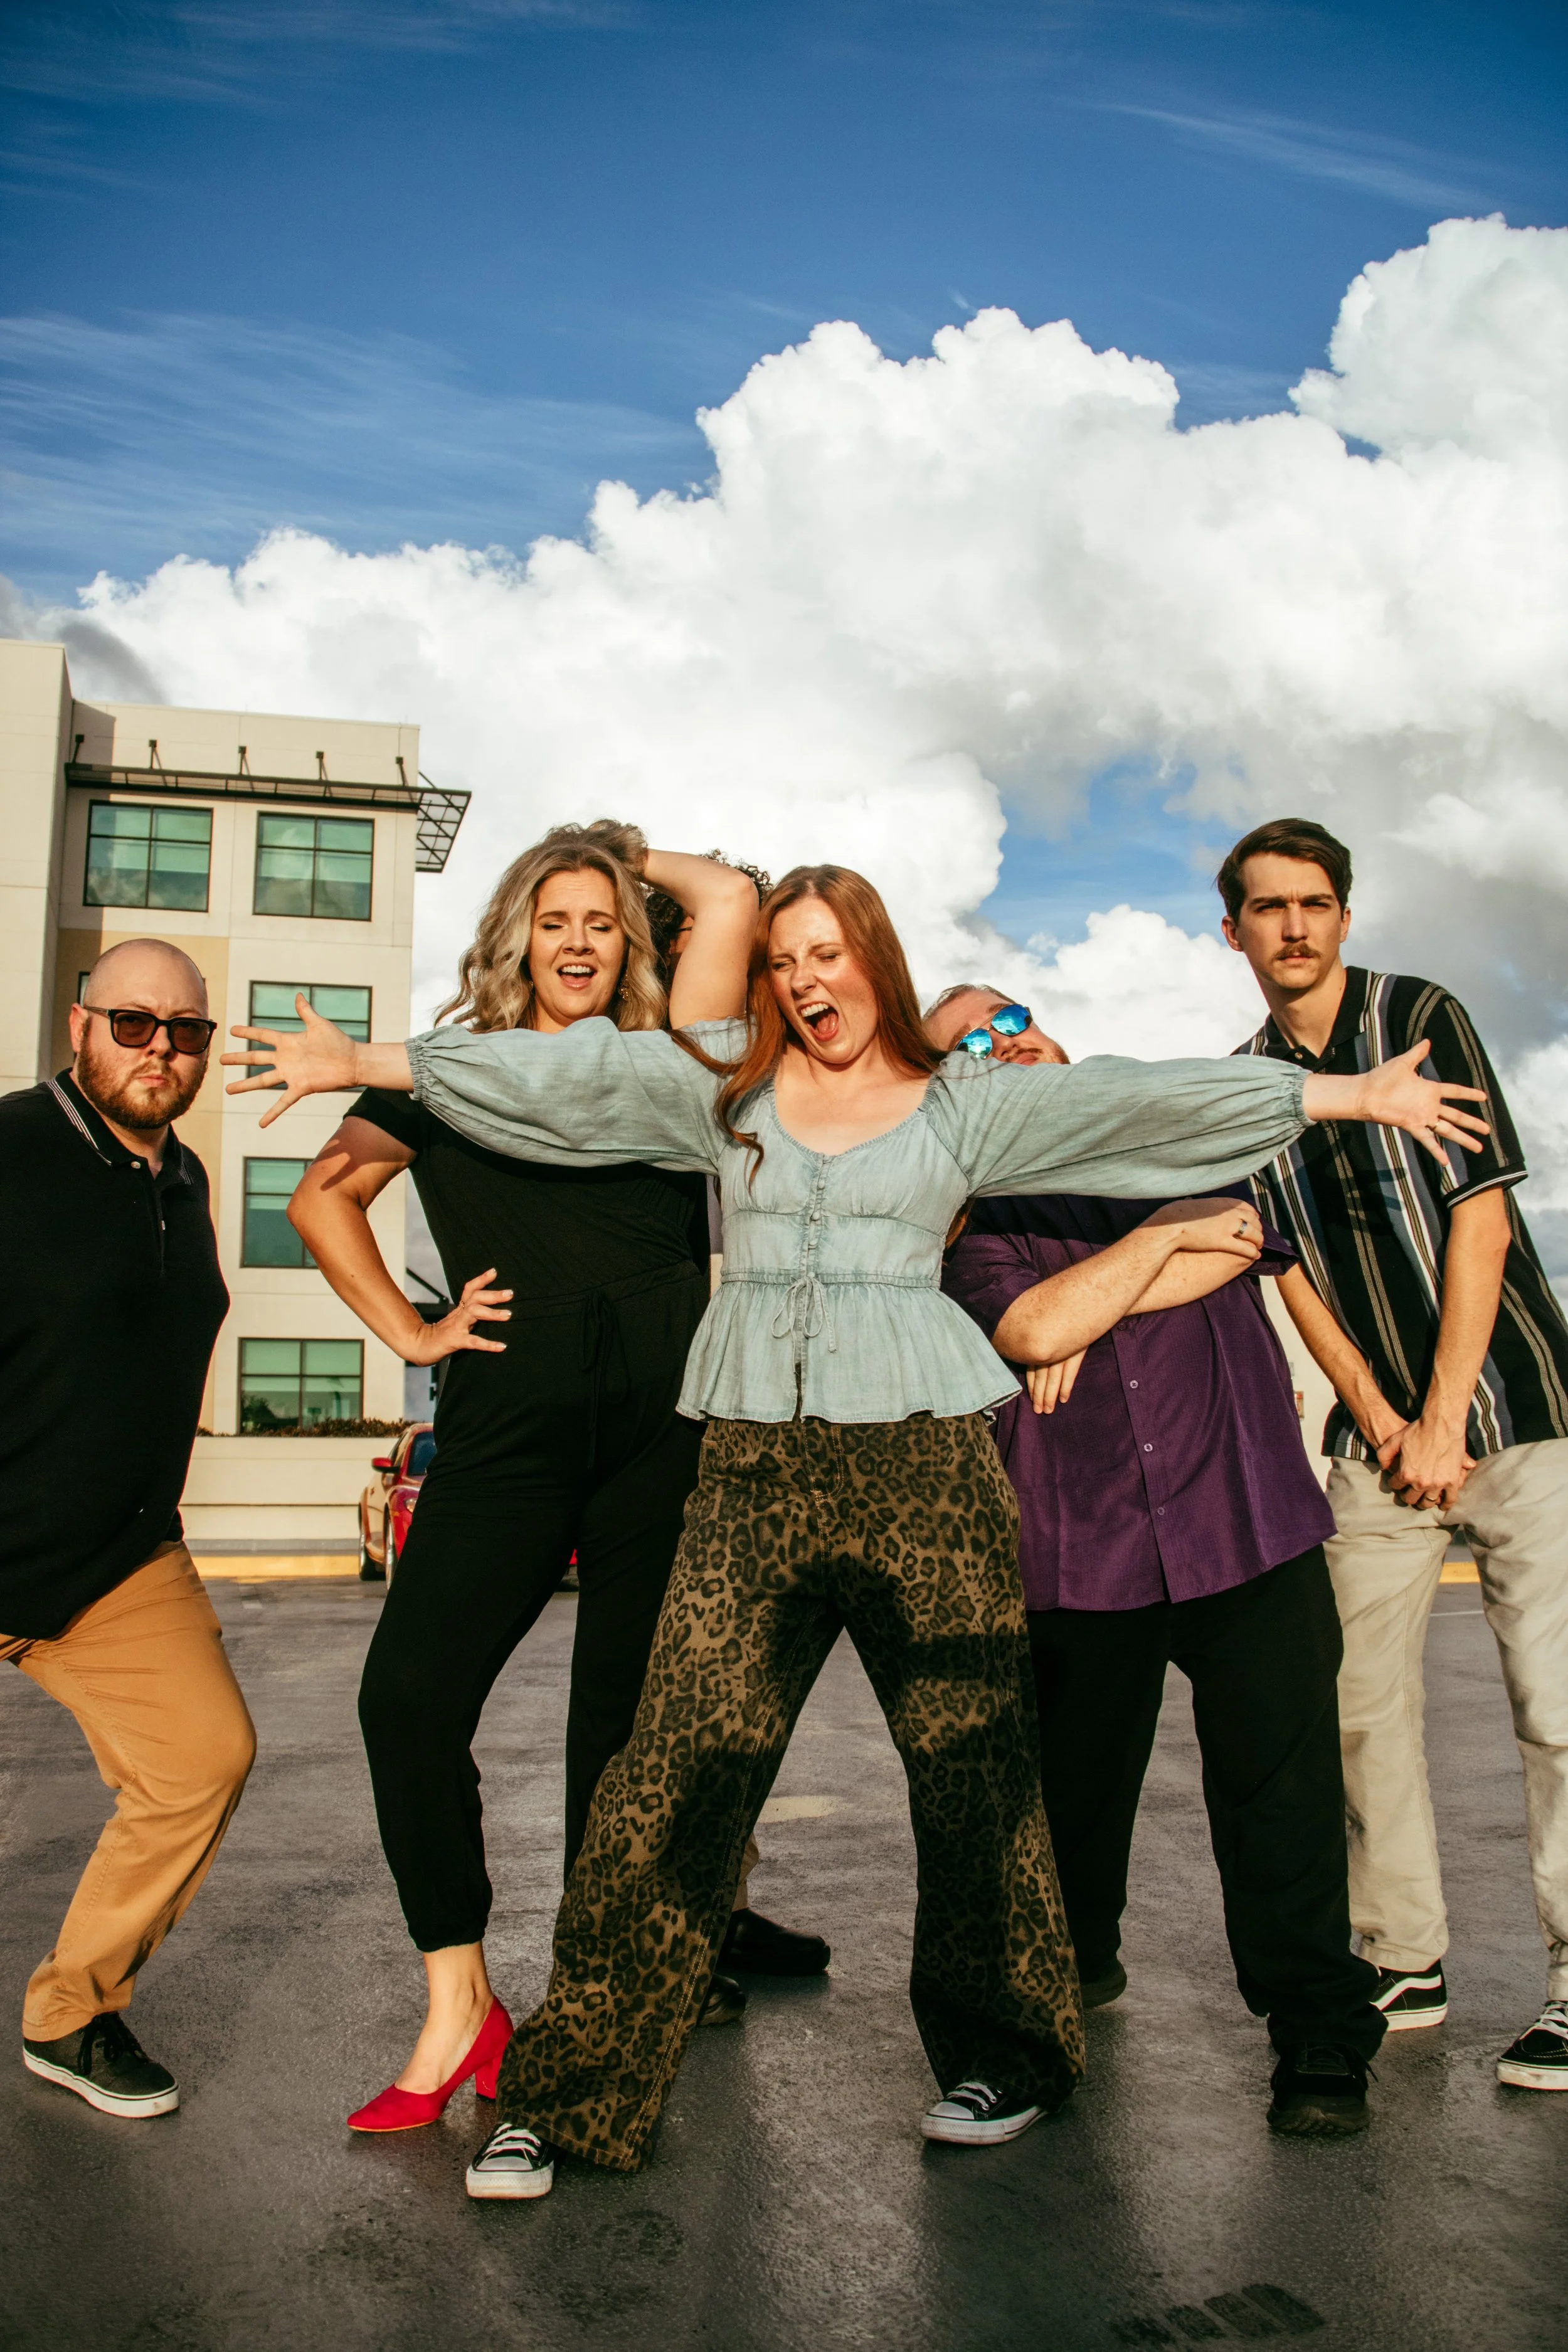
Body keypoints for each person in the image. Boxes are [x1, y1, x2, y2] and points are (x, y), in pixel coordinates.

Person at [225, 860, 1488, 2199]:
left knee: (973, 1776)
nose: (801, 980)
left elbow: (1132, 1100)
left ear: (870, 965)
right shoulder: (722, 1091)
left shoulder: (964, 1108)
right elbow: (569, 1085)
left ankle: (1004, 2056)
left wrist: (1342, 1092)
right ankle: (568, 2086)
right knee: (670, 1777)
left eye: (824, 954)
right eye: (781, 960)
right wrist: (366, 1056)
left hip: (922, 1470)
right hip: (756, 1471)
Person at [287, 825, 826, 2137]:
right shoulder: (448, 1069)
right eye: (554, 917)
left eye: (601, 920)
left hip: (659, 1443)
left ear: (631, 941)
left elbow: (736, 899)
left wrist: (618, 845)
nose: (577, 941)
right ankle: (458, 2002)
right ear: (513, 935)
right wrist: (413, 1333)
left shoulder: (665, 1060)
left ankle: (595, 2010)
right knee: (406, 1702)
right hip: (504, 1447)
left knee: (620, 1751)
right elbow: (321, 1199)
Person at [930, 995, 1386, 2137]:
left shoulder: (1175, 1137)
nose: (1008, 1042)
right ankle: (1068, 1981)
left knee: (1281, 1795)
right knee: (1071, 1802)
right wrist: (1151, 1246)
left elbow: (1239, 1236)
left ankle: (1318, 2032)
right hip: (1080, 1541)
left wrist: (1103, 1289)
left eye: (1017, 1017)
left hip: (1245, 1517)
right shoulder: (970, 1220)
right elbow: (1028, 1329)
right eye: (972, 1042)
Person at [1220, 815, 1568, 2092]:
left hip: (1516, 1412)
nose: (1293, 926)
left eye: (1313, 903)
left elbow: (1476, 1217)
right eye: (1268, 907)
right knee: (1356, 1704)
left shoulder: (1419, 1014)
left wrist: (1441, 1413)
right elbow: (1290, 1272)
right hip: (1375, 1444)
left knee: (1556, 1708)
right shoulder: (1248, 1080)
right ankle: (1401, 1953)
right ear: (1234, 930)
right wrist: (1376, 1417)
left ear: (1342, 917)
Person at [2, 940, 252, 2121]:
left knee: (202, 1758)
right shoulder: (8, 1149)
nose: (161, 1047)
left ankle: (70, 2010)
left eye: (186, 1030)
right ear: (79, 1025)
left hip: (115, 1558)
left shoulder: (184, 1179)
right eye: (134, 1022)